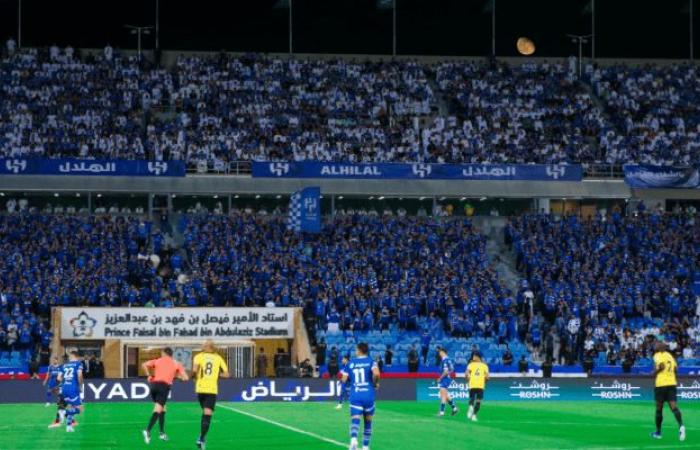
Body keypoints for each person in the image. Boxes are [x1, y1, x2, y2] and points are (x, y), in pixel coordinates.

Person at [141, 347, 188, 444]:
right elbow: (186, 378)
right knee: (158, 409)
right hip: (164, 387)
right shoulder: (176, 363)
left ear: (165, 353)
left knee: (163, 408)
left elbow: (144, 365)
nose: (161, 354)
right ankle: (147, 430)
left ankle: (162, 433)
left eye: (162, 353)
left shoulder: (158, 361)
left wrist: (148, 375)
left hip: (153, 386)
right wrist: (178, 376)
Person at [342, 343, 380, 450]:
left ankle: (353, 439)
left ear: (359, 350)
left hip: (356, 394)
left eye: (356, 349)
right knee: (368, 421)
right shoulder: (372, 362)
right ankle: (365, 447)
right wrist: (375, 383)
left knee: (355, 418)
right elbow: (376, 374)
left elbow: (344, 380)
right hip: (368, 394)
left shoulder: (350, 363)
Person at [192, 340, 229, 450]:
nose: (202, 346)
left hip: (200, 389)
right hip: (211, 390)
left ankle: (201, 438)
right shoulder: (218, 358)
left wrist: (194, 378)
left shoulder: (198, 356)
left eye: (203, 345)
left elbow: (194, 371)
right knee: (207, 415)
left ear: (206, 347)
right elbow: (227, 374)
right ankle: (201, 438)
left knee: (205, 413)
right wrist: (217, 373)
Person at [651, 342, 685, 441]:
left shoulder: (657, 355)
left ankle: (658, 432)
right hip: (672, 383)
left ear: (660, 347)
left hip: (661, 384)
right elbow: (675, 369)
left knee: (659, 408)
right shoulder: (670, 356)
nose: (655, 346)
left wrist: (654, 373)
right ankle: (681, 426)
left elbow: (661, 366)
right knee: (674, 407)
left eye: (657, 345)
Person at [57, 351, 84, 433]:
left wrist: (65, 382)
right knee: (79, 409)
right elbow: (79, 375)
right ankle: (64, 411)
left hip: (64, 388)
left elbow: (58, 378)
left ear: (72, 356)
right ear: (76, 356)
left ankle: (69, 426)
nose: (68, 357)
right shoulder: (78, 364)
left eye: (69, 356)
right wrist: (80, 386)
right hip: (73, 388)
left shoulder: (63, 365)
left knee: (72, 407)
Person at [466, 353, 489, 422]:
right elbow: (487, 377)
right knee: (478, 401)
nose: (473, 357)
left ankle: (470, 407)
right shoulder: (485, 366)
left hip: (472, 385)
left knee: (471, 399)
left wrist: (468, 380)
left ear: (477, 357)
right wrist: (484, 382)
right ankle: (474, 416)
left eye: (474, 356)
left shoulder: (471, 365)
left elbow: (467, 373)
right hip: (480, 386)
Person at [436, 347, 458, 417]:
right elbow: (452, 369)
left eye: (440, 352)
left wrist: (440, 378)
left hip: (445, 379)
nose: (439, 353)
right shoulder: (449, 360)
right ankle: (454, 408)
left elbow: (445, 371)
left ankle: (442, 412)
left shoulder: (445, 360)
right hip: (447, 378)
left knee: (443, 396)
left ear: (443, 352)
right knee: (446, 395)